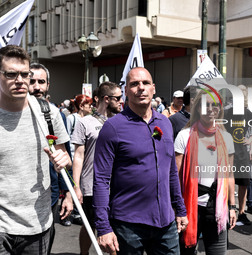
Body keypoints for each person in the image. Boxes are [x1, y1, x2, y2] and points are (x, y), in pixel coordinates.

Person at [92, 67, 188, 254]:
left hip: (165, 224)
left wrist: (180, 208)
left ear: (153, 88)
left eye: (145, 83)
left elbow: (170, 171)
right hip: (127, 226)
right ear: (126, 91)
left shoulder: (165, 123)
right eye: (134, 84)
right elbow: (101, 180)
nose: (140, 88)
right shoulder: (112, 127)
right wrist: (103, 227)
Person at [0, 45, 72, 254]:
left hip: (38, 223)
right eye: (11, 74)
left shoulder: (48, 112)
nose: (20, 80)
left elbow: (65, 157)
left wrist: (62, 161)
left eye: (25, 74)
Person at [174, 89, 236, 254]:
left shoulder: (226, 138)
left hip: (217, 209)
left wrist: (233, 206)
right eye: (205, 105)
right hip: (189, 207)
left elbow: (229, 175)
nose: (210, 109)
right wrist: (176, 208)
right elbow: (175, 176)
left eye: (214, 105)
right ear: (198, 109)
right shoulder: (184, 136)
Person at [72, 81, 123, 255]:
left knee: (112, 226)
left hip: (116, 185)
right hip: (91, 184)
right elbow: (78, 156)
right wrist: (76, 186)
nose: (121, 101)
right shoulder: (85, 122)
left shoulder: (120, 121)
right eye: (118, 98)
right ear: (106, 99)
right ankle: (84, 253)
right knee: (90, 225)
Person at [29, 62, 74, 252]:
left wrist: (69, 193)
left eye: (42, 81)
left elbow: (65, 156)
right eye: (32, 81)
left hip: (49, 194)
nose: (37, 87)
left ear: (48, 86)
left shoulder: (54, 115)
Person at [224, 85, 252, 224]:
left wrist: (250, 140)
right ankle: (229, 209)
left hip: (243, 152)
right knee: (228, 181)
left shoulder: (247, 112)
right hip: (229, 152)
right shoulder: (227, 112)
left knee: (244, 183)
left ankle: (242, 212)